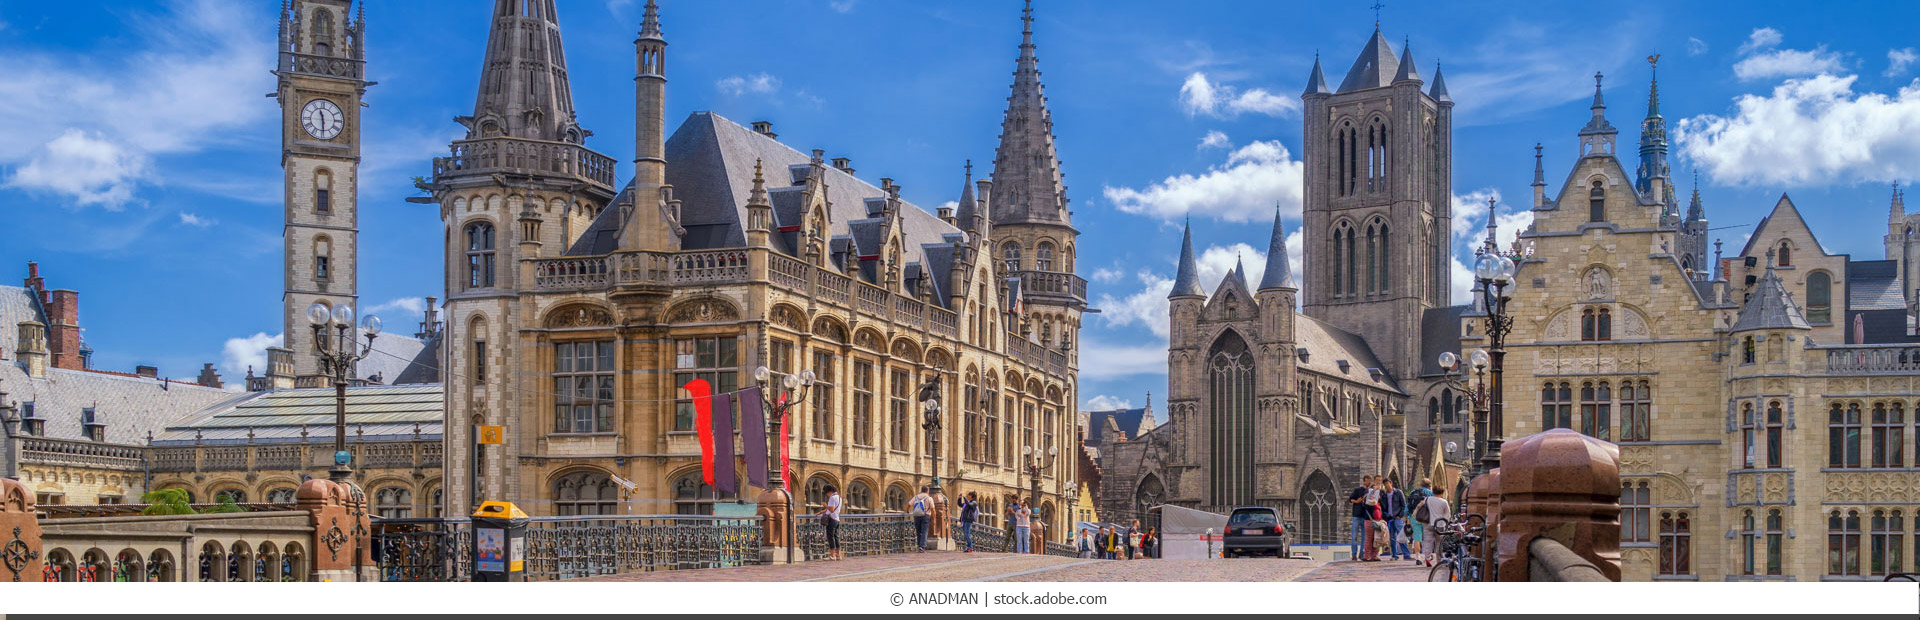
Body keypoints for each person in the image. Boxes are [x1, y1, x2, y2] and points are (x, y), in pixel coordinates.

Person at [1421, 487, 1452, 567]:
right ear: (1442, 493)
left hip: (1428, 523)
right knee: (1439, 543)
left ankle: (1427, 558)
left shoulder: (1427, 499)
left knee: (1428, 542)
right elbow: (1447, 514)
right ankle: (1439, 560)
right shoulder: (1444, 502)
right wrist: (1445, 522)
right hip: (1440, 524)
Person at [1346, 475, 1374, 561]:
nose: (1369, 482)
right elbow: (1350, 499)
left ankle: (1362, 554)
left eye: (1370, 480)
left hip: (1365, 516)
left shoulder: (1370, 491)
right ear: (1364, 481)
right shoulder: (1357, 490)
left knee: (1364, 537)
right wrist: (1357, 501)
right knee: (1354, 536)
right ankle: (1354, 554)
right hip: (1356, 516)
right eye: (1367, 480)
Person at [1381, 478, 1410, 561]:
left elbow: (1403, 505)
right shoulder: (1385, 496)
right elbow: (1383, 508)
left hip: (1397, 518)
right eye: (1385, 484)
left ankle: (1406, 554)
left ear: (1391, 483)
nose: (1386, 485)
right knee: (1392, 537)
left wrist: (1400, 515)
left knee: (1401, 535)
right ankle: (1394, 555)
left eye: (1387, 483)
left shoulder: (1398, 492)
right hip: (1390, 519)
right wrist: (1386, 515)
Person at [1406, 479, 1433, 560]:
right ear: (1429, 485)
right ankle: (1427, 556)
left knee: (1417, 538)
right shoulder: (1430, 493)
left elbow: (1408, 506)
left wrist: (1408, 517)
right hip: (1426, 517)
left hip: (1414, 516)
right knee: (1426, 538)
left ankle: (1418, 557)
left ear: (1421, 484)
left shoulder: (1413, 492)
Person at [820, 483, 844, 561]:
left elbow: (831, 509)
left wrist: (825, 505)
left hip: (832, 520)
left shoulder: (832, 498)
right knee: (836, 537)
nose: (827, 495)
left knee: (831, 537)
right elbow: (834, 510)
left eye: (827, 493)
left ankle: (832, 555)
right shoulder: (839, 498)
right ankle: (838, 555)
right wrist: (821, 512)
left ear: (829, 491)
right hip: (837, 519)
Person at [910, 486, 933, 551]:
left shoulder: (916, 497)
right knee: (924, 531)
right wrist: (933, 517)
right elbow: (933, 509)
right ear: (927, 491)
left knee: (918, 531)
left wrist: (907, 511)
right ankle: (922, 546)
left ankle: (919, 544)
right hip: (926, 515)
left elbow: (909, 504)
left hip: (917, 515)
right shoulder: (929, 498)